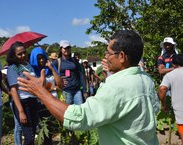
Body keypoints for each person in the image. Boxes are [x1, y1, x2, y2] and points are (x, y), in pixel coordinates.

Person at [18, 30, 160, 145]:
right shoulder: (146, 79)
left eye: (108, 53)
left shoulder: (117, 87)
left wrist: (41, 92)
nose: (105, 57)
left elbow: (77, 118)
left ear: (121, 56)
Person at [6, 41, 39, 145]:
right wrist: (21, 111)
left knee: (33, 135)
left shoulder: (28, 65)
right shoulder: (13, 68)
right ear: (14, 56)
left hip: (33, 101)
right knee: (29, 137)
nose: (23, 55)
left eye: (24, 52)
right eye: (19, 54)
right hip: (23, 103)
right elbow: (14, 90)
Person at [29, 47, 63, 145]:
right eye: (39, 58)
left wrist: (52, 69)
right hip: (40, 103)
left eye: (43, 57)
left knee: (50, 128)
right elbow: (39, 89)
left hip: (53, 102)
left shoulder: (50, 67)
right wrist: (52, 88)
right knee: (43, 129)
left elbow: (60, 85)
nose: (42, 60)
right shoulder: (33, 71)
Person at [52, 40, 88, 104]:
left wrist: (85, 90)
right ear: (61, 49)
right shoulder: (57, 62)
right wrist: (60, 80)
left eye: (68, 48)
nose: (67, 50)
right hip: (66, 91)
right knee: (68, 111)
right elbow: (51, 74)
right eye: (65, 48)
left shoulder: (74, 60)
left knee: (80, 110)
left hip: (77, 90)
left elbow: (81, 75)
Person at [158, 54, 183, 144]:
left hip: (181, 113)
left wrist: (164, 105)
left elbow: (162, 89)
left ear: (173, 64)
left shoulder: (170, 75)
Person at [2, 65, 22, 145]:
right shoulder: (7, 69)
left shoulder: (21, 67)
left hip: (25, 98)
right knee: (18, 125)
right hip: (14, 100)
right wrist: (7, 91)